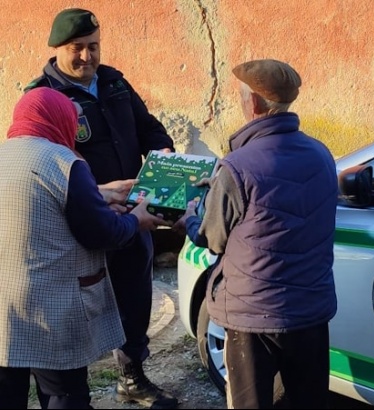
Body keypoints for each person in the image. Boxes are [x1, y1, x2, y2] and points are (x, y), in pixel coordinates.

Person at [25, 8, 179, 408]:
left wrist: (162, 151)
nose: (87, 57)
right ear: (57, 48)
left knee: (135, 297)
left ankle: (132, 377)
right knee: (76, 308)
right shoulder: (44, 96)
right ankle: (71, 390)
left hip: (131, 216)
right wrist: (93, 192)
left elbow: (149, 127)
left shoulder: (115, 83)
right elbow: (42, 163)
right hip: (78, 224)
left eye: (93, 46)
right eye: (77, 48)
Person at [173, 59, 339, 409]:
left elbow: (212, 239)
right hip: (310, 310)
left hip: (254, 316)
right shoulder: (323, 155)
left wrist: (188, 218)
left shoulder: (238, 166)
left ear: (253, 104)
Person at [0, 87, 170, 409]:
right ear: (58, 119)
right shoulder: (65, 162)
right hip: (50, 310)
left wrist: (99, 194)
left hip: (4, 309)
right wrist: (137, 219)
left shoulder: (4, 154)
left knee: (8, 393)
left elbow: (42, 203)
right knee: (64, 395)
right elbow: (103, 234)